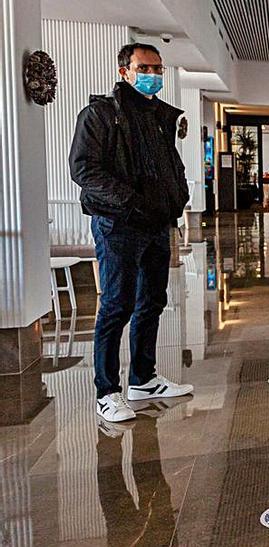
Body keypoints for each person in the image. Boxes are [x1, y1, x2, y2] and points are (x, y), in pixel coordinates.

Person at [70, 43, 193, 424]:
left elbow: (167, 166)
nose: (153, 74)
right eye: (145, 67)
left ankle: (143, 379)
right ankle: (107, 391)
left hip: (157, 224)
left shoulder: (159, 117)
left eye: (158, 68)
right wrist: (130, 201)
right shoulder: (101, 115)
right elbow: (84, 170)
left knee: (151, 302)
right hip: (118, 225)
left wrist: (178, 196)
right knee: (116, 305)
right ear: (124, 70)